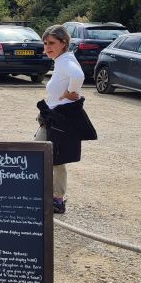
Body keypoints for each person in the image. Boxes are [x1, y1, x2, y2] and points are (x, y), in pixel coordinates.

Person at [34, 24, 96, 214]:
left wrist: (71, 92)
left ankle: (57, 199)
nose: (48, 47)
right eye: (45, 43)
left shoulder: (65, 61)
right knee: (41, 154)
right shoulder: (63, 60)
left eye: (52, 43)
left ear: (64, 43)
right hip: (52, 117)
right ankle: (47, 194)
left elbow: (78, 75)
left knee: (54, 158)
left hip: (60, 119)